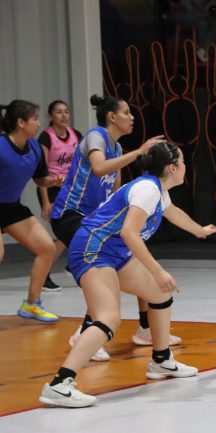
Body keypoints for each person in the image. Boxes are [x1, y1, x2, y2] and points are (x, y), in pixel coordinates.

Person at [39, 141, 216, 408]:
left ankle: (161, 360)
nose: (185, 166)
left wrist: (199, 230)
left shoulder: (157, 190)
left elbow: (174, 213)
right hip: (93, 249)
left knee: (159, 293)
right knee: (109, 318)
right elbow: (129, 233)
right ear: (172, 168)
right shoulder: (147, 190)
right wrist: (158, 270)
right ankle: (59, 384)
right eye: (182, 162)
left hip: (112, 251)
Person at [50, 94, 172, 362]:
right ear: (112, 117)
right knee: (103, 269)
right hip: (71, 215)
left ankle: (144, 328)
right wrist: (138, 152)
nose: (132, 117)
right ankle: (86, 332)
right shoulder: (97, 137)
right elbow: (98, 168)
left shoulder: (116, 148)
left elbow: (114, 190)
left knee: (129, 258)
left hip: (94, 220)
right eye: (127, 112)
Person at [0, 100, 65, 322]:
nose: (39, 123)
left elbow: (40, 179)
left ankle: (32, 304)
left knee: (46, 248)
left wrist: (52, 182)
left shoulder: (35, 148)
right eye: (35, 119)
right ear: (21, 122)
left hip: (11, 207)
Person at [37, 100, 83, 292]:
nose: (64, 115)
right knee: (66, 232)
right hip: (52, 189)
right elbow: (42, 172)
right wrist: (45, 202)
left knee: (73, 231)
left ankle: (71, 265)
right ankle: (47, 274)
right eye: (58, 112)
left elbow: (81, 164)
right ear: (50, 116)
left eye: (66, 111)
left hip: (73, 190)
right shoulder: (46, 138)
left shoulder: (76, 135)